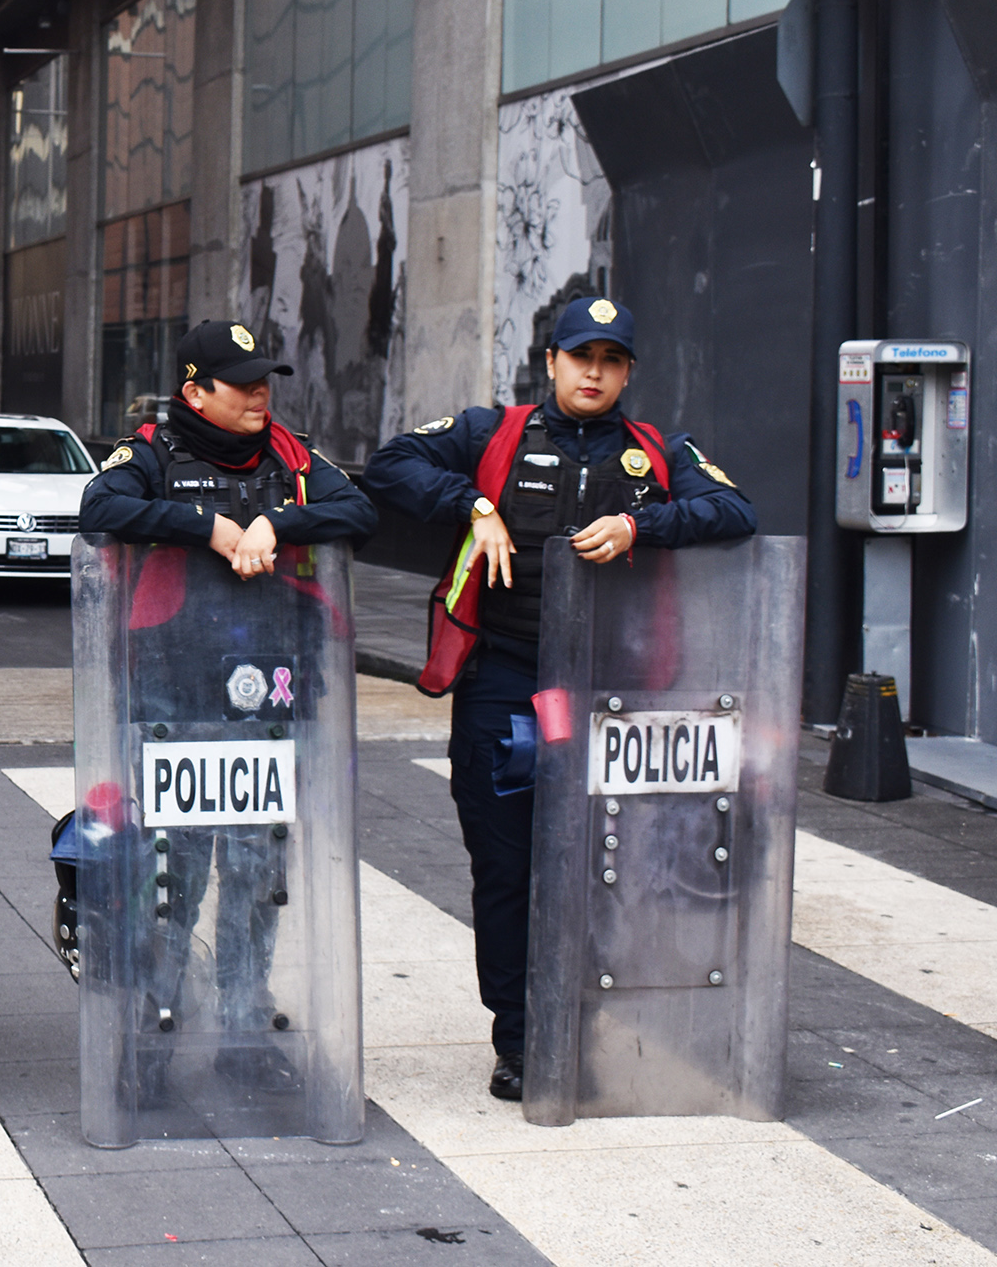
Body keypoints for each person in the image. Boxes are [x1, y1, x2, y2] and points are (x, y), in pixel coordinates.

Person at [361, 296, 756, 1102]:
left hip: (614, 694)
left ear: (628, 373)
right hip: (503, 680)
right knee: (506, 869)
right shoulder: (493, 434)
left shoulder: (656, 452)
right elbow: (390, 464)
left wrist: (646, 528)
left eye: (611, 361)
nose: (594, 372)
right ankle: (521, 1038)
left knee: (604, 869)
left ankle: (585, 1025)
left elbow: (737, 511)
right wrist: (475, 507)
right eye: (581, 357)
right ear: (551, 362)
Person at [76, 320, 377, 1096]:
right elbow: (102, 507)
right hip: (171, 693)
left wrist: (279, 520)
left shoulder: (289, 456)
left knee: (255, 873)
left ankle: (246, 1033)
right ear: (194, 393)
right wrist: (208, 527)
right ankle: (152, 1037)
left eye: (263, 379)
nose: (259, 393)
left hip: (269, 695)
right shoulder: (150, 453)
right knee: (173, 875)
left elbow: (360, 512)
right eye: (240, 382)